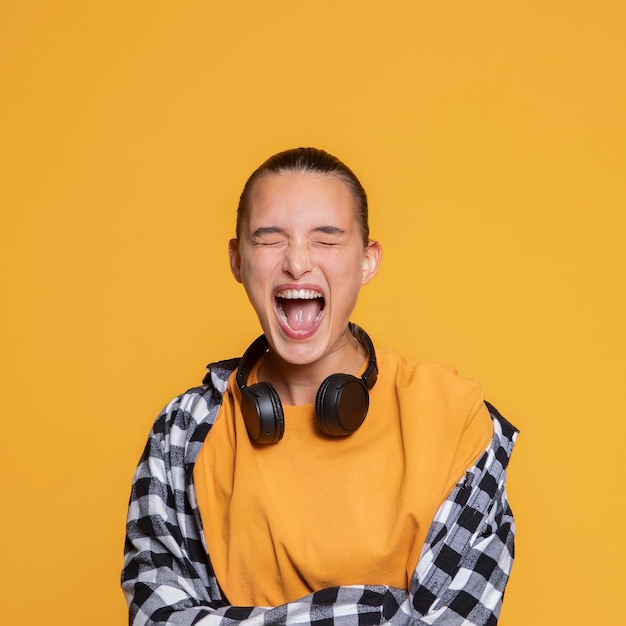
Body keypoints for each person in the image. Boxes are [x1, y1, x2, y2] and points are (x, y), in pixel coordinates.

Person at [121, 147, 518, 625]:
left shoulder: (457, 420)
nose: (297, 263)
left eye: (326, 241)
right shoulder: (183, 432)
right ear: (237, 261)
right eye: (270, 241)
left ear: (368, 261)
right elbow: (158, 616)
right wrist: (381, 608)